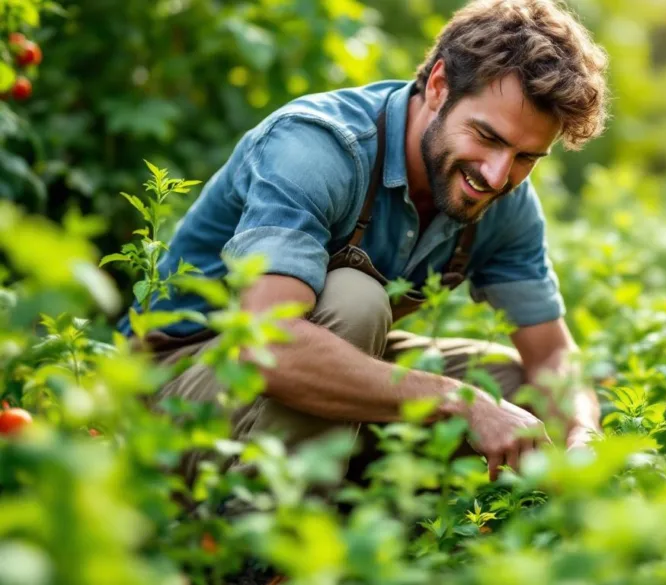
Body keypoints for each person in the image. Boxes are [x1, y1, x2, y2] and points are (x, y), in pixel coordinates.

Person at [122, 0, 610, 485]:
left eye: (527, 157)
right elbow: (268, 345)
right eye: (487, 137)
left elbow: (551, 354)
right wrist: (459, 402)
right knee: (356, 302)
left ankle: (397, 518)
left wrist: (585, 435)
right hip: (174, 387)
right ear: (439, 86)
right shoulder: (318, 148)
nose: (498, 174)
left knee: (516, 384)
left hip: (301, 393)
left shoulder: (507, 200)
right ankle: (260, 544)